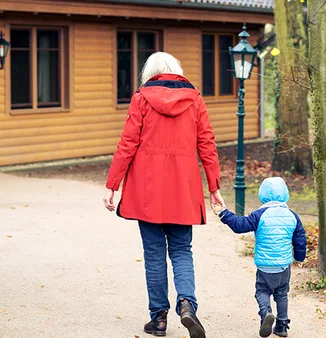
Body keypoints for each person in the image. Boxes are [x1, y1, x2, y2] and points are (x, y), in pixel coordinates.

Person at [103, 52, 225, 338]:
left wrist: (112, 184)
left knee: (154, 254)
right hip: (183, 189)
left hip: (148, 191)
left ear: (150, 73)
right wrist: (214, 187)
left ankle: (158, 318)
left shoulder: (141, 98)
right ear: (176, 71)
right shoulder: (194, 99)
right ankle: (187, 304)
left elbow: (127, 143)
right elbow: (207, 143)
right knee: (182, 250)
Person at [214, 177, 306, 338]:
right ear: (285, 193)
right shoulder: (292, 216)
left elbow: (239, 225)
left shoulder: (259, 215)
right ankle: (282, 326)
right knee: (282, 294)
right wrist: (299, 257)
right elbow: (300, 239)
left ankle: (265, 313)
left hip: (265, 266)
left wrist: (223, 213)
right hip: (284, 266)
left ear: (262, 194)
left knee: (262, 291)